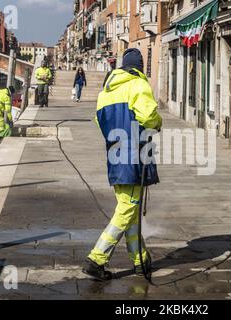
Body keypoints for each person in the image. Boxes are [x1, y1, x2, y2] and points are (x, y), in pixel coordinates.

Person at [83, 48, 162, 281]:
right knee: (127, 208)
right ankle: (96, 258)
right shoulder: (138, 84)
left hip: (115, 153)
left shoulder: (105, 92)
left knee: (130, 209)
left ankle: (140, 259)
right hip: (134, 155)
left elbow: (100, 122)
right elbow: (148, 117)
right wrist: (158, 122)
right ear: (138, 66)